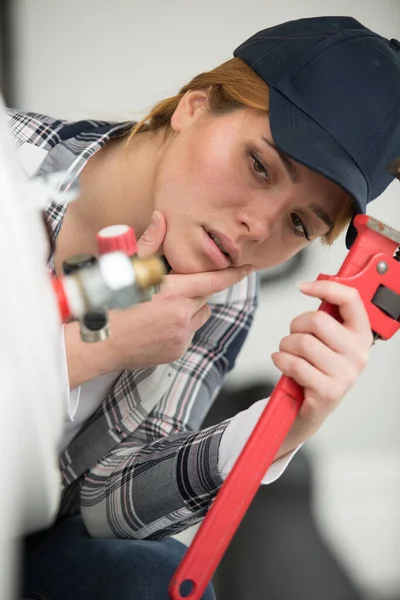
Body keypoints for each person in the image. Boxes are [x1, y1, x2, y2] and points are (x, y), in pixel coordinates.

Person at [12, 14, 400, 600]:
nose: (257, 225)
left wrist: (283, 426)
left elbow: (104, 511)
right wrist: (102, 344)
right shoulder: (10, 165)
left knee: (148, 574)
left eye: (299, 222)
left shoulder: (224, 293)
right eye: (260, 165)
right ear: (194, 105)